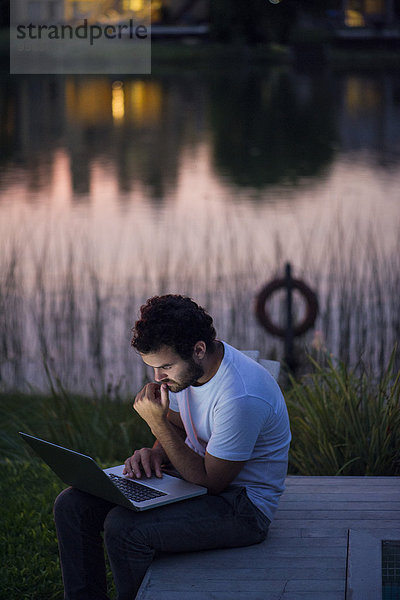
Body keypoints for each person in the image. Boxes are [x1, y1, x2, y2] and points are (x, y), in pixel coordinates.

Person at [53, 294, 291, 600]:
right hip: (190, 480)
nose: (158, 378)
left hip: (241, 506)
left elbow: (213, 482)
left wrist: (157, 424)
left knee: (125, 529)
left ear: (199, 350)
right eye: (153, 368)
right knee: (72, 504)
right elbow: (179, 426)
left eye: (165, 366)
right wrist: (155, 452)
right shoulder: (189, 373)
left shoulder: (240, 396)